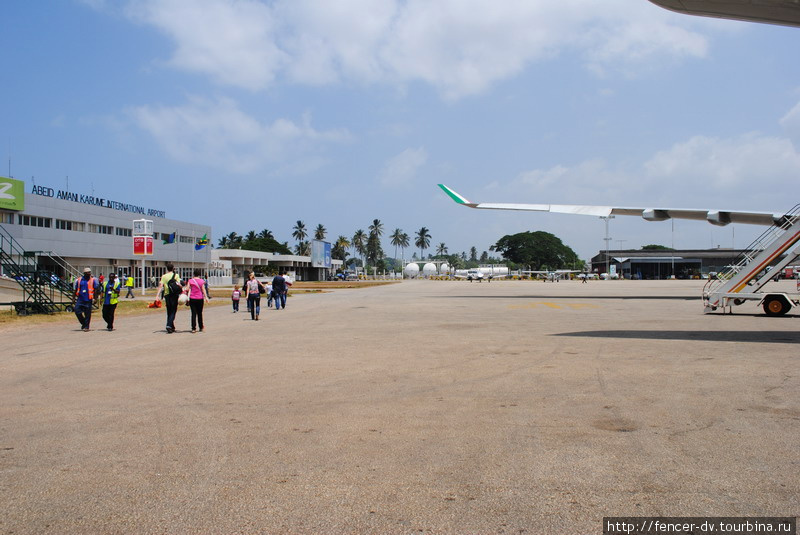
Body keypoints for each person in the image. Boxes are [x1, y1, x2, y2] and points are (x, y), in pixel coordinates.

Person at [158, 262, 182, 333]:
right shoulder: (176, 275)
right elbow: (179, 284)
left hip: (167, 295)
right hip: (174, 295)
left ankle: (172, 326)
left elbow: (160, 286)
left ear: (167, 269)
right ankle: (168, 325)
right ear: (173, 268)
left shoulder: (164, 276)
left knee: (169, 311)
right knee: (173, 311)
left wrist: (157, 295)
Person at [73, 267, 100, 332]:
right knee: (77, 311)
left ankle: (86, 326)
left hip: (88, 299)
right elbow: (75, 289)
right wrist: (73, 298)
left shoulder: (93, 280)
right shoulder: (79, 280)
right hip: (80, 299)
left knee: (87, 313)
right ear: (84, 273)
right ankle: (84, 323)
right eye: (87, 273)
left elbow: (96, 290)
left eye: (89, 273)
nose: (89, 274)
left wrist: (95, 298)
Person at [186, 268, 209, 333]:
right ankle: (201, 327)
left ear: (194, 273)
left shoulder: (190, 280)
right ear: (199, 274)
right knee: (199, 313)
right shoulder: (202, 281)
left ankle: (193, 328)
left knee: (193, 313)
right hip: (200, 298)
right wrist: (206, 297)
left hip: (192, 298)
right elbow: (203, 289)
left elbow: (187, 289)